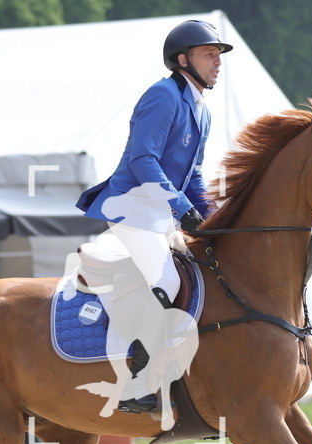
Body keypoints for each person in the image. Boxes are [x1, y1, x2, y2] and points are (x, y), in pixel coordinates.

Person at [73, 19, 231, 412]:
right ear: (183, 59)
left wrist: (209, 216)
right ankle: (138, 380)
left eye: (218, 55)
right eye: (209, 54)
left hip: (158, 213)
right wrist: (180, 207)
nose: (217, 62)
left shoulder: (202, 110)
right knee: (165, 277)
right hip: (130, 207)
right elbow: (143, 159)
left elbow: (191, 173)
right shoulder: (163, 95)